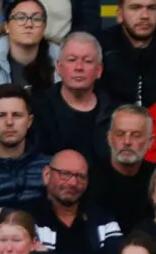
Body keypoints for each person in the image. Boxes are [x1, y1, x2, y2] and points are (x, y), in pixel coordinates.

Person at [25, 149, 125, 254]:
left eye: (80, 176)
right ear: (47, 174)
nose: (73, 183)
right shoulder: (29, 216)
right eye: (65, 174)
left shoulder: (102, 218)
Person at [31, 33, 115, 162]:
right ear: (58, 67)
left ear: (99, 70)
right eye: (72, 60)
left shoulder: (115, 112)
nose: (79, 67)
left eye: (87, 61)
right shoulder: (38, 109)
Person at [99, 0, 156, 108]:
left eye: (151, 8)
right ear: (120, 14)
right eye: (135, 8)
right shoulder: (100, 47)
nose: (145, 16)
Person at [89, 105, 156, 235]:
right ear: (109, 138)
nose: (127, 141)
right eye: (120, 134)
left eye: (136, 135)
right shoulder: (90, 179)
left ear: (150, 142)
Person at [0, 84, 50, 210]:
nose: (9, 122)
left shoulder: (50, 168)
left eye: (17, 115)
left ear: (29, 121)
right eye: (1, 115)